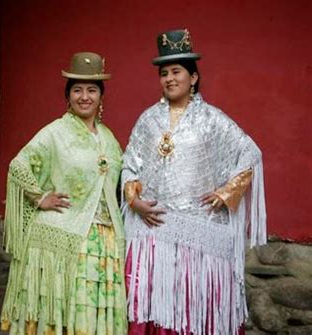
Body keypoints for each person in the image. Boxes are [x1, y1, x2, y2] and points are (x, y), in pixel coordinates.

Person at [122, 29, 267, 335]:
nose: (169, 79)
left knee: (192, 307)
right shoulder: (148, 119)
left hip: (199, 236)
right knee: (152, 305)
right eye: (164, 73)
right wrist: (133, 200)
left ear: (194, 78)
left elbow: (249, 153)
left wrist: (227, 191)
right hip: (153, 235)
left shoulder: (212, 120)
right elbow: (130, 166)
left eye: (177, 71)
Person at [0, 52, 127, 334]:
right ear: (68, 96)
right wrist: (39, 197)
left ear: (101, 96)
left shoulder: (108, 137)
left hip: (105, 240)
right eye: (77, 90)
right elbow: (19, 165)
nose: (85, 97)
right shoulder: (55, 133)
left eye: (92, 90)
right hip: (67, 236)